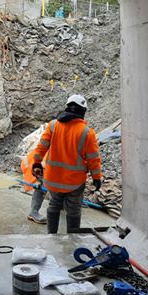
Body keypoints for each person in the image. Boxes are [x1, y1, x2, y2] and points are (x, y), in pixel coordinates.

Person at [29, 94, 102, 233]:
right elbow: (93, 160)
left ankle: (52, 236)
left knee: (54, 205)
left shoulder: (53, 126)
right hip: (74, 182)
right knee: (73, 210)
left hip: (53, 180)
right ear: (83, 111)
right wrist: (96, 178)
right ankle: (72, 239)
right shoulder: (87, 133)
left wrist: (37, 162)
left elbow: (42, 146)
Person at [20, 151, 47, 224]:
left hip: (39, 163)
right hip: (33, 166)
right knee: (41, 186)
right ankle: (33, 212)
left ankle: (62, 205)